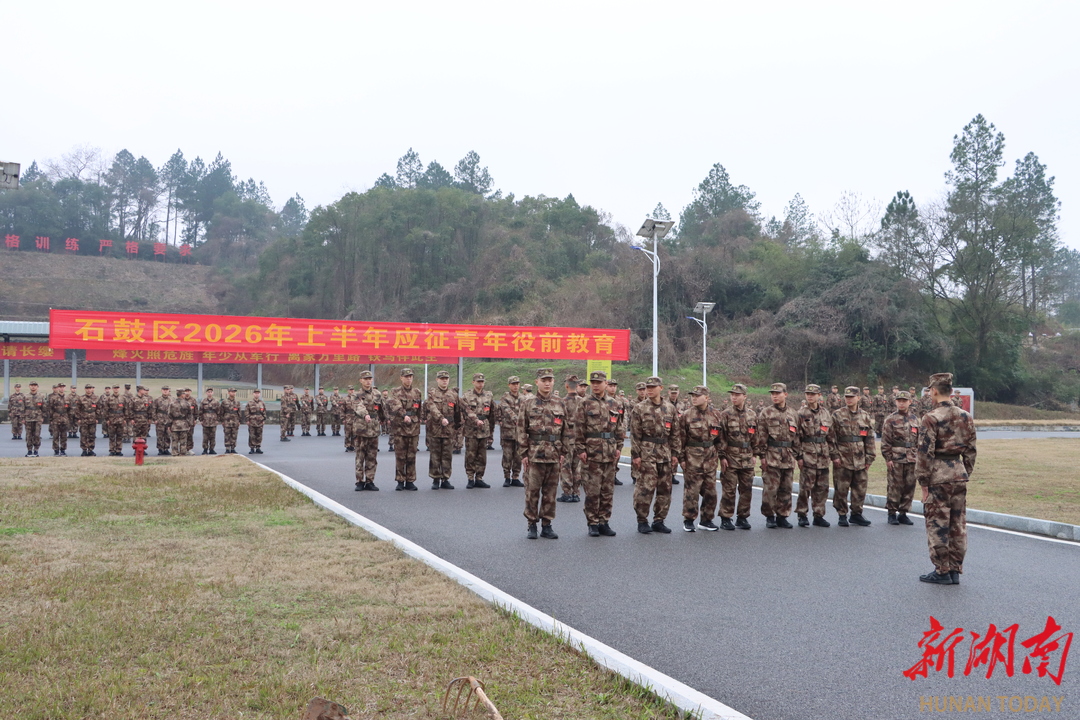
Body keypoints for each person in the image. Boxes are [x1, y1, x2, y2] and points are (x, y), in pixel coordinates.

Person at [917, 373, 977, 585]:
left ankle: (942, 569)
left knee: (938, 523)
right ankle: (955, 568)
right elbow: (971, 450)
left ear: (933, 390)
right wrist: (964, 472)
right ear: (951, 391)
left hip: (938, 475)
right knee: (957, 523)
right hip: (958, 474)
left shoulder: (931, 417)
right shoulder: (965, 416)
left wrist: (923, 483)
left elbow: (925, 453)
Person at [518, 368, 567, 539]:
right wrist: (523, 453)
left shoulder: (560, 403)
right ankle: (532, 524)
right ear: (537, 382)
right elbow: (521, 429)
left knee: (551, 492)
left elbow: (566, 430)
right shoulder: (528, 403)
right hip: (534, 454)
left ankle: (547, 524)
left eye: (550, 380)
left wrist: (564, 452)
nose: (547, 383)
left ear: (553, 382)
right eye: (543, 380)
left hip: (554, 454)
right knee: (532, 491)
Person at [574, 370, 624, 537]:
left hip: (609, 452)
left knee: (607, 490)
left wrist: (619, 446)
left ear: (605, 384)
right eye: (592, 383)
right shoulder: (584, 403)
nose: (595, 385)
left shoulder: (614, 403)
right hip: (592, 452)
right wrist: (580, 449)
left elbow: (619, 427)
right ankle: (593, 523)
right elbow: (579, 428)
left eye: (598, 382)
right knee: (593, 490)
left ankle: (604, 521)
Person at [630, 376, 682, 534]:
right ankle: (642, 520)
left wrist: (675, 453)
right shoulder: (639, 408)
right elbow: (635, 434)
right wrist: (636, 455)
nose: (650, 389)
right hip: (647, 453)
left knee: (665, 489)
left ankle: (659, 520)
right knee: (645, 488)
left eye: (653, 387)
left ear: (661, 388)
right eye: (648, 387)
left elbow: (675, 433)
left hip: (665, 453)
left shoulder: (670, 408)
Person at [755, 383, 801, 529]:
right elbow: (760, 436)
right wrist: (762, 456)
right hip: (771, 455)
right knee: (770, 488)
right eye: (772, 393)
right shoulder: (765, 413)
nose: (774, 395)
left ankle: (783, 516)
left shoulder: (793, 414)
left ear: (785, 394)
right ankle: (769, 516)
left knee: (786, 488)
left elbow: (797, 438)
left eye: (778, 393)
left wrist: (798, 456)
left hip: (787, 456)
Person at [828, 386, 876, 527]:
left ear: (858, 398)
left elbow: (870, 439)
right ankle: (842, 514)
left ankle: (856, 514)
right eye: (847, 397)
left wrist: (870, 457)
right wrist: (835, 455)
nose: (849, 399)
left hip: (860, 457)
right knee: (841, 488)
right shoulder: (837, 415)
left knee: (860, 488)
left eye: (852, 397)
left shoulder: (865, 416)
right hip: (843, 457)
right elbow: (831, 438)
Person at [677, 385, 722, 532]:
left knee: (711, 492)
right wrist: (681, 459)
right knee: (692, 491)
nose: (694, 398)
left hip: (710, 458)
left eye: (698, 395)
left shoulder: (716, 415)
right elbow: (680, 440)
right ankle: (689, 519)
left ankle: (706, 519)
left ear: (707, 398)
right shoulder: (686, 415)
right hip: (692, 458)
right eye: (693, 395)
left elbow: (719, 439)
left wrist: (721, 456)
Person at [717, 383, 756, 530]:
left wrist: (755, 454)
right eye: (732, 394)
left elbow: (755, 437)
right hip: (731, 455)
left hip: (747, 456)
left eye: (737, 395)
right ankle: (726, 517)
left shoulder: (752, 414)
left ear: (744, 396)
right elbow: (721, 437)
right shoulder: (725, 414)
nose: (734, 397)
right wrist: (722, 457)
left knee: (746, 488)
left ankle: (742, 517)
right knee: (729, 488)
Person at [795, 384, 833, 528]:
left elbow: (831, 436)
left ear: (819, 395)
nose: (810, 396)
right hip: (807, 453)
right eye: (807, 394)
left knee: (822, 487)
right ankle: (802, 514)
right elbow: (796, 437)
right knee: (806, 487)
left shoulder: (825, 413)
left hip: (823, 455)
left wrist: (832, 454)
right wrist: (799, 456)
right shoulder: (800, 414)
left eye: (813, 394)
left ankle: (819, 515)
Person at [881, 390, 919, 526]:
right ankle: (892, 513)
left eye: (904, 401)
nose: (902, 403)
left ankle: (903, 513)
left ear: (910, 402)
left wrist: (918, 457)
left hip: (911, 458)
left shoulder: (915, 419)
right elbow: (885, 441)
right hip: (896, 457)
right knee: (894, 486)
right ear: (896, 402)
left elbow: (918, 440)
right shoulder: (890, 419)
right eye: (899, 401)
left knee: (909, 486)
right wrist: (888, 458)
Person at [386, 368, 422, 491]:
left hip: (414, 427)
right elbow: (395, 405)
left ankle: (410, 480)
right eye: (406, 376)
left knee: (412, 455)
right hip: (400, 427)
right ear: (401, 378)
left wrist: (420, 420)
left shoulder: (417, 392)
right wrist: (404, 415)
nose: (409, 378)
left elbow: (419, 409)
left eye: (410, 376)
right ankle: (400, 480)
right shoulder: (395, 391)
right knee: (400, 456)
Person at [424, 370, 458, 490]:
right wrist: (441, 418)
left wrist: (457, 429)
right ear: (437, 380)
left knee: (447, 455)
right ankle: (435, 479)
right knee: (435, 455)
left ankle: (445, 479)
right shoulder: (432, 393)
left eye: (446, 378)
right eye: (442, 378)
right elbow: (432, 408)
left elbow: (458, 412)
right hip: (435, 429)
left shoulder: (453, 394)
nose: (444, 380)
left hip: (449, 430)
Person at [460, 372, 495, 488]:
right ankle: (470, 478)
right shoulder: (467, 396)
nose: (480, 384)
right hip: (471, 429)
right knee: (470, 455)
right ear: (473, 382)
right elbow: (466, 411)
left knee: (482, 456)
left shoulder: (489, 396)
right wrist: (475, 420)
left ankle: (479, 478)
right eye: (478, 381)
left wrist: (491, 431)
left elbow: (492, 414)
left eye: (482, 382)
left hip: (484, 429)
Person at [354, 371, 384, 490]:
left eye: (369, 379)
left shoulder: (377, 394)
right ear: (361, 380)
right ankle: (359, 481)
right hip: (362, 429)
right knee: (360, 456)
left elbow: (381, 409)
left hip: (374, 429)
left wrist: (385, 419)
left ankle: (370, 480)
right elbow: (358, 406)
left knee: (372, 456)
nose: (368, 381)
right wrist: (365, 414)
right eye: (365, 379)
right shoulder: (356, 395)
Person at [558, 374, 582, 502]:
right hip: (579, 438)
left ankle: (567, 492)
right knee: (577, 467)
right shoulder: (584, 402)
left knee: (565, 467)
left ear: (566, 385)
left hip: (566, 438)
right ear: (577, 385)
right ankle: (576, 492)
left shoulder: (562, 402)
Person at [498, 376, 525, 487]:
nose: (515, 386)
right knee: (507, 456)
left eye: (517, 384)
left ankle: (516, 477)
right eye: (513, 384)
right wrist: (517, 419)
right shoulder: (505, 397)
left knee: (518, 456)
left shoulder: (524, 398)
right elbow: (506, 409)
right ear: (509, 385)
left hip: (519, 432)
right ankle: (507, 477)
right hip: (507, 431)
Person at [75, 384, 100, 456]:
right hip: (84, 418)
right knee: (83, 434)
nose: (88, 390)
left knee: (92, 435)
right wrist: (78, 418)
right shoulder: (81, 398)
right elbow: (77, 409)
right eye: (87, 388)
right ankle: (84, 449)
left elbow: (99, 408)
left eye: (90, 388)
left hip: (93, 418)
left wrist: (97, 418)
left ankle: (91, 449)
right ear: (85, 389)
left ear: (92, 389)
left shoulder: (96, 398)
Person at [22, 381, 45, 457]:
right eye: (32, 385)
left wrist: (43, 417)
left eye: (35, 385)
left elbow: (44, 408)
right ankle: (29, 450)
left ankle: (36, 450)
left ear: (37, 387)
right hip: (28, 418)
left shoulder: (41, 396)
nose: (33, 387)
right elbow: (22, 408)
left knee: (37, 435)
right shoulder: (25, 396)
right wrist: (23, 418)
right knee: (29, 435)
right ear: (29, 386)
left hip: (37, 418)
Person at [168, 389, 194, 457]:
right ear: (182, 395)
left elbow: (169, 415)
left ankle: (175, 453)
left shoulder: (172, 403)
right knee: (183, 441)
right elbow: (190, 415)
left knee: (174, 440)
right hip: (184, 424)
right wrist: (190, 424)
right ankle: (183, 453)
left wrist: (169, 425)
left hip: (175, 424)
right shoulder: (187, 403)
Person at [47, 382, 71, 456]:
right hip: (56, 418)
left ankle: (63, 450)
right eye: (60, 387)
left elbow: (70, 409)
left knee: (64, 435)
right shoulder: (53, 398)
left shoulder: (68, 397)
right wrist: (51, 419)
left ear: (65, 388)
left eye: (63, 387)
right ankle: (56, 450)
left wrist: (69, 419)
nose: (61, 388)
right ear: (58, 388)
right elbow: (50, 408)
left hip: (64, 417)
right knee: (56, 435)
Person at [219, 388, 242, 454]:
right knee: (227, 434)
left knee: (234, 434)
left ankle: (233, 448)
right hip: (227, 420)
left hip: (235, 420)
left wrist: (239, 421)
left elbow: (239, 412)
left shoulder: (237, 402)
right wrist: (222, 420)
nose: (233, 393)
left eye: (234, 392)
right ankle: (227, 448)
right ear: (228, 393)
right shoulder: (224, 402)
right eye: (232, 392)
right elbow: (221, 412)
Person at [245, 389, 266, 454]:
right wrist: (247, 420)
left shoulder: (261, 403)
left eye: (258, 393)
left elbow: (264, 412)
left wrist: (264, 419)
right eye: (255, 393)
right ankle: (252, 448)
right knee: (252, 435)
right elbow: (247, 412)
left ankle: (258, 447)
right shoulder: (250, 402)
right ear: (253, 394)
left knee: (259, 434)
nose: (257, 394)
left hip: (260, 421)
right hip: (252, 420)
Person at [153, 386, 173, 455]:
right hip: (160, 419)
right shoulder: (157, 400)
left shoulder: (172, 400)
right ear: (161, 390)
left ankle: (166, 448)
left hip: (168, 419)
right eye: (164, 390)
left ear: (169, 391)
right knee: (160, 435)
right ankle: (160, 449)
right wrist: (155, 419)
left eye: (166, 390)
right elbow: (153, 410)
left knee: (168, 435)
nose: (165, 391)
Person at [200, 387, 219, 454]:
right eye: (208, 392)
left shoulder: (216, 401)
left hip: (213, 421)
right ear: (206, 393)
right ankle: (205, 449)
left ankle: (212, 449)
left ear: (212, 393)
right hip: (205, 421)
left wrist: (217, 420)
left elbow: (218, 411)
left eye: (211, 392)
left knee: (212, 436)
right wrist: (201, 420)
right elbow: (201, 411)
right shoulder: (203, 401)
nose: (209, 393)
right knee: (205, 437)